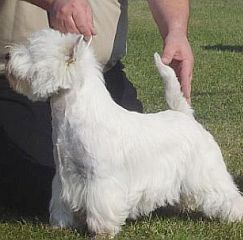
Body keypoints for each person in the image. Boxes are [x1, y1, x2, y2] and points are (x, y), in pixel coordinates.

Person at [0, 0, 193, 212]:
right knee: (35, 185)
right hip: (13, 82)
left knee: (129, 150)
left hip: (98, 75)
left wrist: (175, 30)